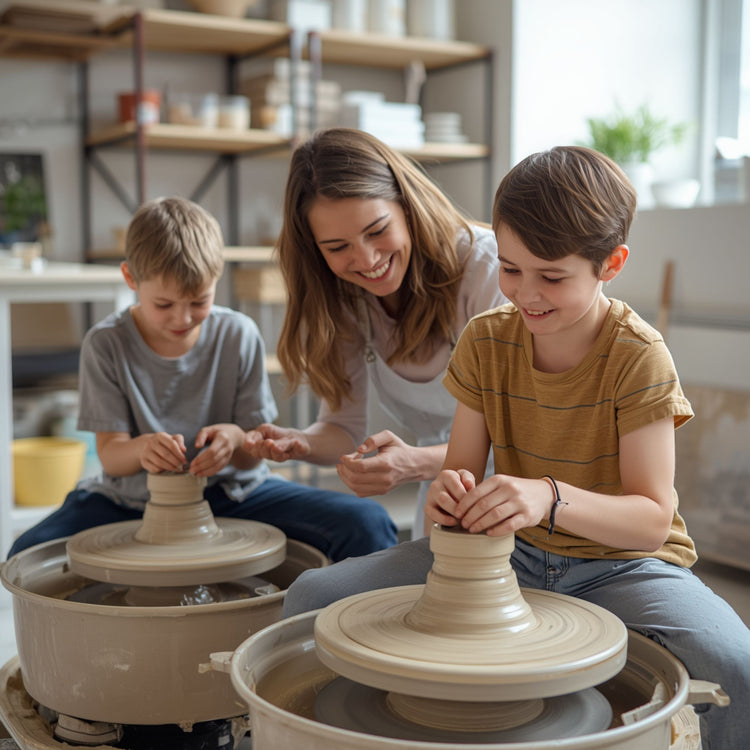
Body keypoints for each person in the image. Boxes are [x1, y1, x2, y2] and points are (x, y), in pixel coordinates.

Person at [281, 146, 750, 748]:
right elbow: (458, 478)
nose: (526, 294)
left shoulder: (638, 354)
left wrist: (547, 497)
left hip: (624, 567)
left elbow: (650, 523)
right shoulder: (485, 340)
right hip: (507, 557)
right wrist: (451, 500)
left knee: (735, 661)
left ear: (611, 263)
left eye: (551, 276)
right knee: (310, 597)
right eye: (510, 269)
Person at [7, 197, 396, 562]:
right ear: (131, 279)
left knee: (366, 523)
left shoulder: (237, 334)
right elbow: (111, 454)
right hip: (129, 501)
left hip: (233, 493)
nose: (183, 318)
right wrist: (144, 449)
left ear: (216, 279)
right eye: (164, 305)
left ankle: (354, 631)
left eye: (199, 301)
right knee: (28, 552)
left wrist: (235, 439)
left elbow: (249, 453)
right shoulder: (105, 344)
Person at [245, 128, 506, 536]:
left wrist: (414, 462)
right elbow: (344, 429)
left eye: (377, 230)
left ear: (407, 206)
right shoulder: (346, 298)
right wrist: (303, 442)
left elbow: (523, 433)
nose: (366, 260)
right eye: (337, 247)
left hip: (523, 493)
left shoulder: (487, 270)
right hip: (444, 495)